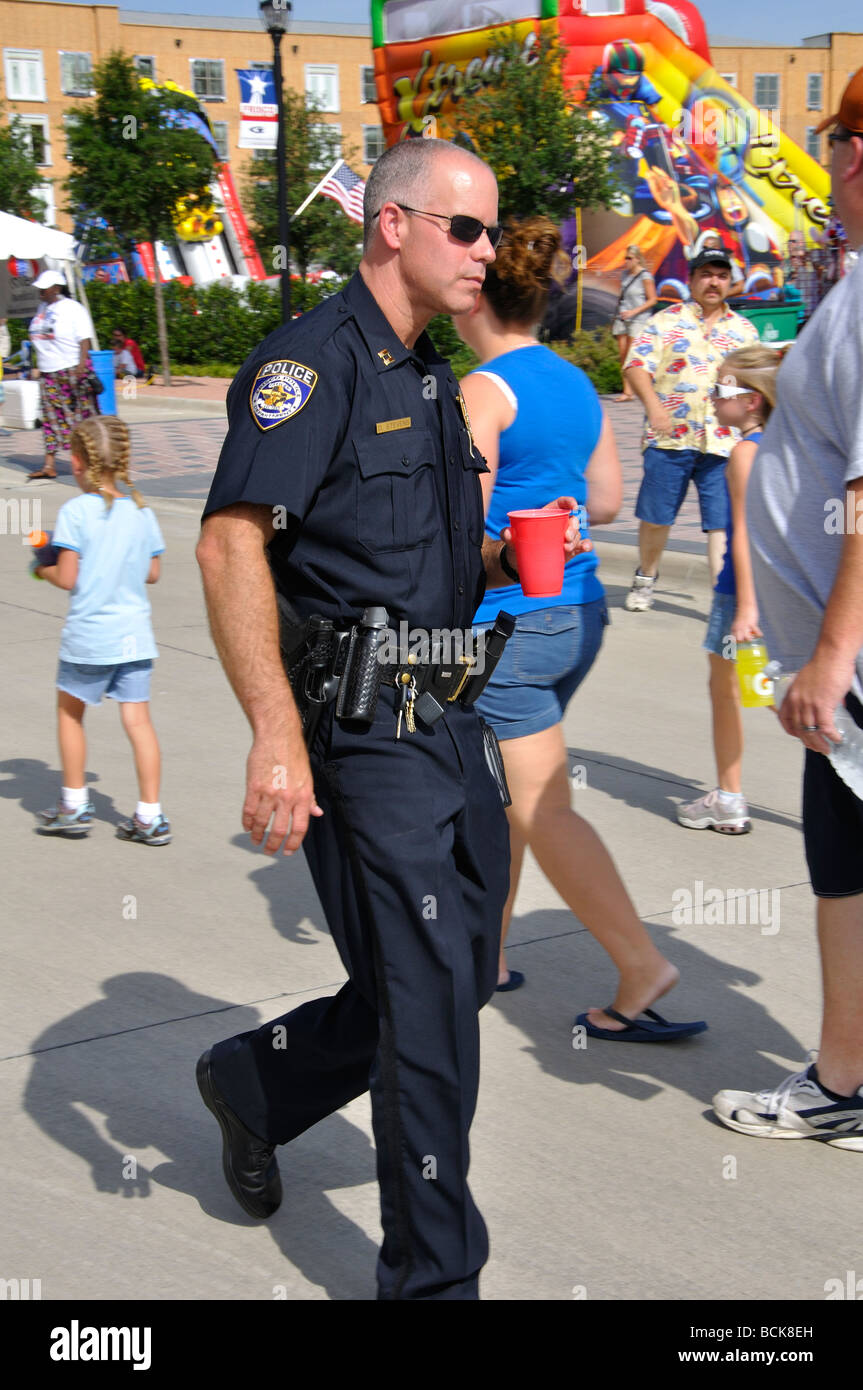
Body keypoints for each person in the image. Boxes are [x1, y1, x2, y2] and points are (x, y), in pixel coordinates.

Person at [193, 138, 586, 1300]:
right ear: (392, 226)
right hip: (359, 731)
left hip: (444, 712)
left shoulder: (422, 374)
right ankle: (431, 1283)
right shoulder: (308, 367)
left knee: (454, 980)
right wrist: (274, 732)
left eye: (491, 229)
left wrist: (502, 547)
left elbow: (401, 556)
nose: (485, 252)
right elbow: (229, 541)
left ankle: (255, 1081)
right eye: (463, 229)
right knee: (426, 1016)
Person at [455, 216, 704, 1040]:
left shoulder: (482, 390)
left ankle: (640, 967)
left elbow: (458, 520)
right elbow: (600, 503)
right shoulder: (566, 381)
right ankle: (488, 951)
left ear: (478, 296)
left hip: (511, 624)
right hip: (578, 611)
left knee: (540, 803)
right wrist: (547, 504)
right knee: (504, 795)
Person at [712, 68, 863, 1148]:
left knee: (844, 869)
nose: (831, 159)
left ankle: (842, 1083)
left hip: (850, 659)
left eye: (837, 137)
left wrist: (828, 659)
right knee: (843, 866)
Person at [33, 416, 170, 846]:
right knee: (138, 720)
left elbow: (70, 578)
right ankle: (150, 816)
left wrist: (43, 564)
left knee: (70, 714)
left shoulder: (74, 512)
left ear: (76, 462)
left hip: (90, 638)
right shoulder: (141, 510)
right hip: (135, 638)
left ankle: (74, 806)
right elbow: (152, 572)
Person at [622, 247, 760, 610]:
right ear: (692, 279)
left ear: (729, 282)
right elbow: (636, 366)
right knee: (656, 518)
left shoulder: (744, 331)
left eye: (721, 275)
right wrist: (654, 409)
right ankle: (645, 578)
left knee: (721, 525)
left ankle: (724, 600)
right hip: (670, 438)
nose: (714, 282)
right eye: (706, 274)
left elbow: (756, 384)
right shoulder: (665, 321)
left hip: (725, 442)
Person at [676, 345, 777, 836]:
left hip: (742, 593)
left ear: (753, 400)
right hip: (779, 591)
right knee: (769, 691)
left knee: (735, 691)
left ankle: (730, 798)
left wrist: (746, 609)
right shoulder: (789, 447)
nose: (713, 397)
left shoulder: (744, 454)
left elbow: (744, 534)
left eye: (722, 389)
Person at [26, 271, 99, 481]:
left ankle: (91, 465)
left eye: (45, 287)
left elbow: (85, 339)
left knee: (80, 420)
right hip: (48, 372)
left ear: (57, 288)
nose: (41, 291)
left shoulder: (73, 309)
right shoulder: (42, 308)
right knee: (50, 419)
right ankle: (49, 465)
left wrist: (81, 366)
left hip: (70, 369)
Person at [611, 244, 657, 401]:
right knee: (623, 354)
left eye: (630, 258)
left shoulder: (645, 276)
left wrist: (634, 311)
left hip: (638, 318)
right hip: (622, 316)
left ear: (638, 259)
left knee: (633, 354)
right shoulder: (624, 275)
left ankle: (643, 387)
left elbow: (652, 300)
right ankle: (627, 391)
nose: (627, 261)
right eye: (626, 258)